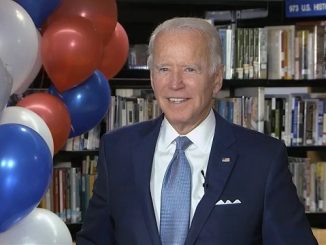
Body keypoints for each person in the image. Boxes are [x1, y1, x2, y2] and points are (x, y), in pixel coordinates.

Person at [76, 17, 317, 244]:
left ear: (217, 79)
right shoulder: (117, 150)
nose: (175, 83)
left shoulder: (263, 159)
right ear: (151, 78)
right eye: (164, 69)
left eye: (190, 69)